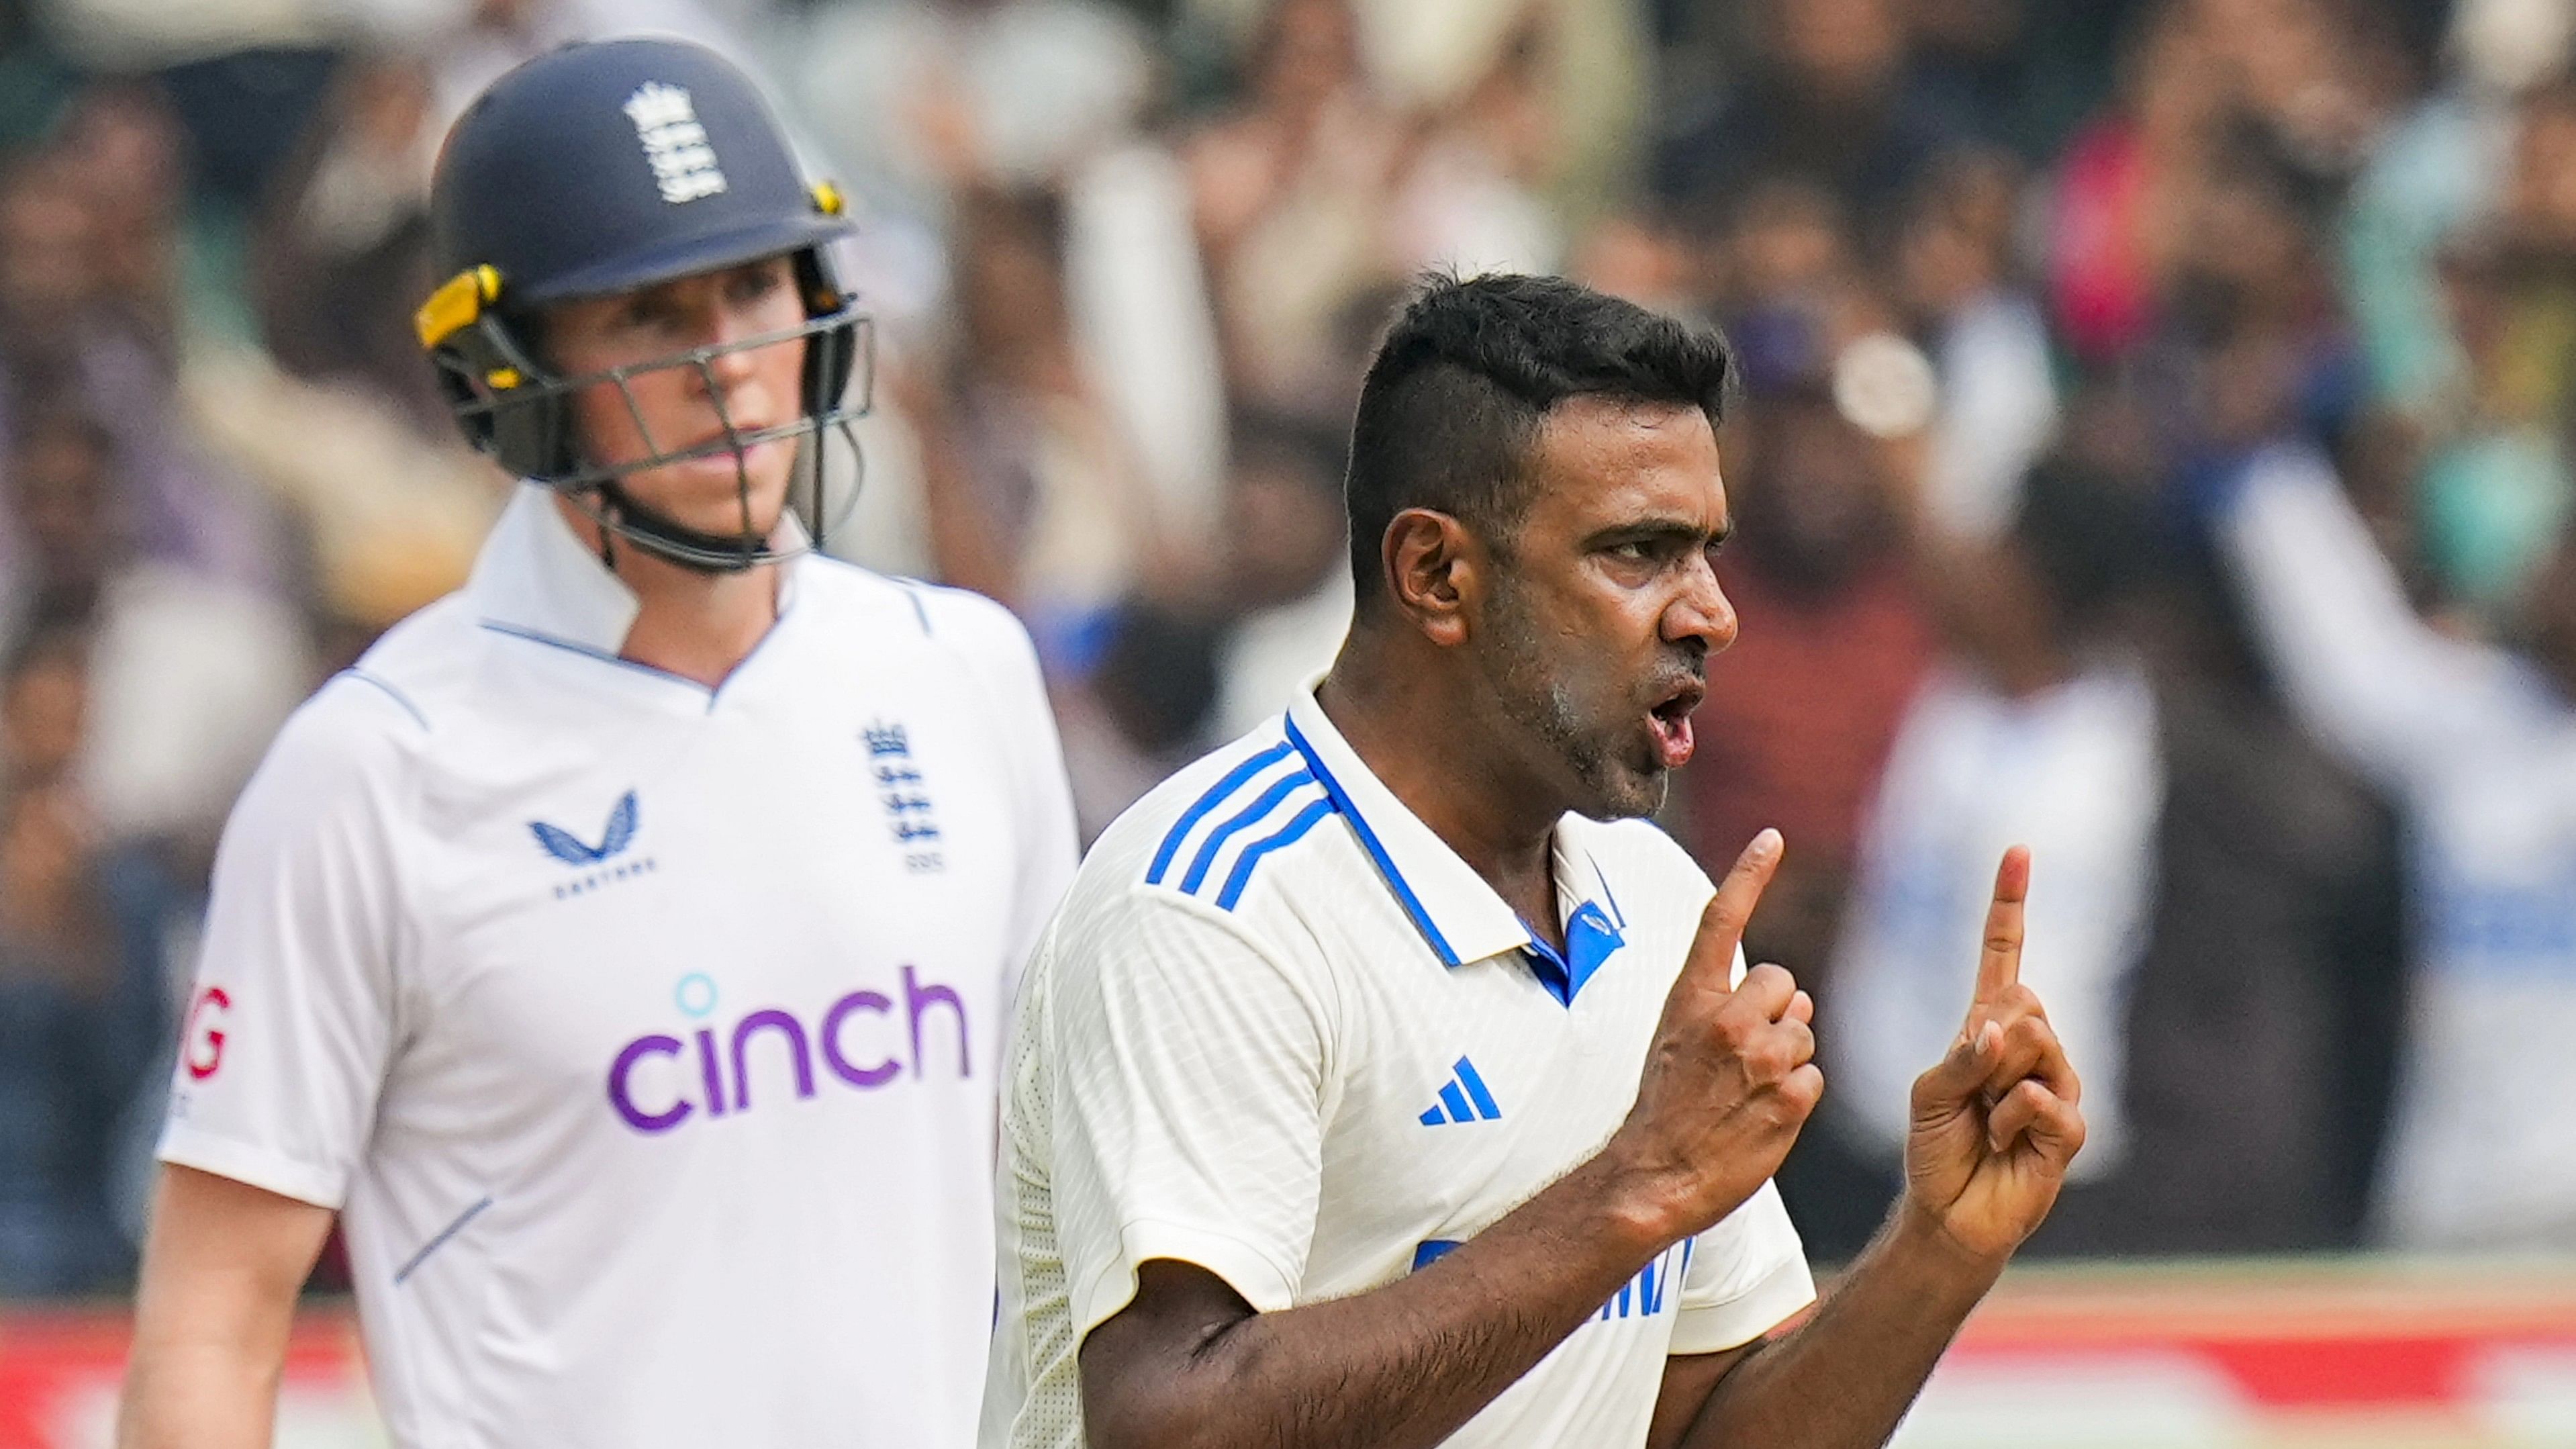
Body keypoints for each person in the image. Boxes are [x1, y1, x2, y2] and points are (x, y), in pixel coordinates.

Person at [117, 38, 1078, 1449]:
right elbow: (211, 1317)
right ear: (505, 369)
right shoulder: (367, 773)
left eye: (752, 288)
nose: (724, 368)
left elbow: (1053, 1192)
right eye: (643, 315)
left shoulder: (959, 672)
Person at [982, 273, 2085, 1449]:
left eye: (1707, 551)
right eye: (1638, 553)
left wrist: (1938, 1249)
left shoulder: (1656, 904)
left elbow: (1704, 1434)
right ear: (1436, 575)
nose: (1710, 612)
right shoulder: (1216, 904)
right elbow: (1169, 1423)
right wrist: (1636, 1182)